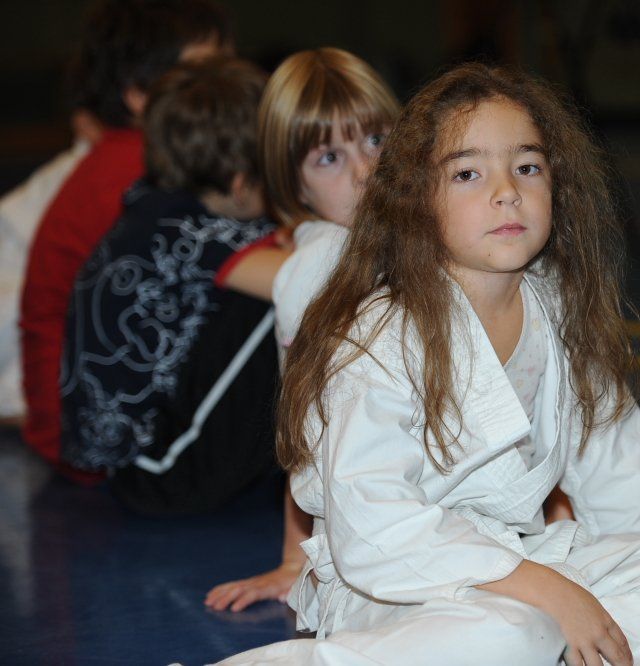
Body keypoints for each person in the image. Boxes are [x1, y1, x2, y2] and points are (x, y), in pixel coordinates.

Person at [218, 63, 640, 666]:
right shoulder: (379, 332)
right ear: (416, 199)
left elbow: (622, 479)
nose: (507, 191)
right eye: (468, 173)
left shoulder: (561, 311)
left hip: (525, 561)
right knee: (511, 634)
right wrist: (543, 590)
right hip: (397, 587)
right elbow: (373, 529)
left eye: (527, 167)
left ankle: (566, 648)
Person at [204, 47, 401, 612]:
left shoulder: (428, 226)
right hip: (387, 515)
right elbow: (305, 429)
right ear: (295, 189)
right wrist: (297, 559)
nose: (365, 171)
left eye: (376, 140)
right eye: (328, 158)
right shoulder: (316, 271)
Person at [60, 56, 288, 514]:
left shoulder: (154, 205)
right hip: (156, 472)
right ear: (242, 184)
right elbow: (313, 277)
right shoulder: (190, 234)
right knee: (283, 302)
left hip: (128, 459)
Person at [18, 0, 231, 471]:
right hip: (89, 438)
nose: (227, 91)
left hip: (74, 423)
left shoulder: (127, 157)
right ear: (138, 94)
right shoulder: (141, 167)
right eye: (203, 75)